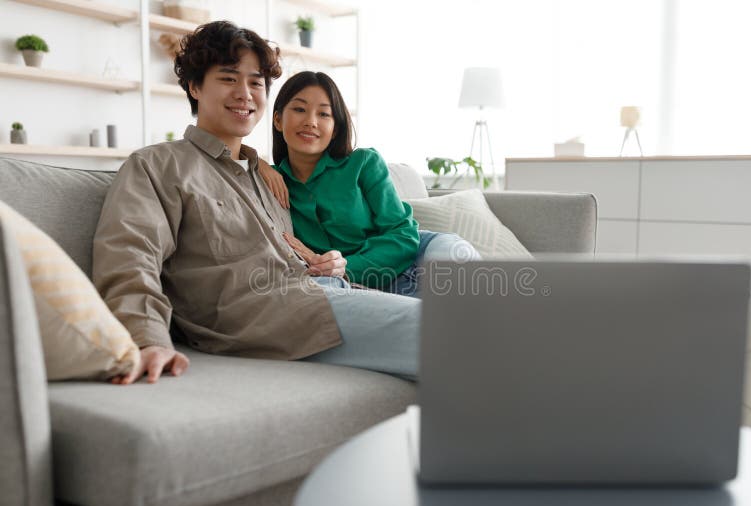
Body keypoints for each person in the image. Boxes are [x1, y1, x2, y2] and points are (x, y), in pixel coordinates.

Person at [92, 21, 418, 384]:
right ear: (195, 86)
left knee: (467, 321)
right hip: (265, 314)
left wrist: (327, 262)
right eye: (229, 78)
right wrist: (145, 338)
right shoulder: (157, 165)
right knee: (449, 331)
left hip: (320, 294)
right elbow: (129, 256)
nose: (245, 93)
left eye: (256, 83)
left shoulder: (267, 178)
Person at [260, 71, 479, 297]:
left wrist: (347, 266)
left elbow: (403, 234)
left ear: (335, 129)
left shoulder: (363, 163)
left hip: (412, 259)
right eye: (299, 109)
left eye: (324, 114)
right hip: (347, 287)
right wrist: (255, 160)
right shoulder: (267, 182)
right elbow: (228, 160)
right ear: (277, 120)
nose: (311, 122)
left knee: (455, 255)